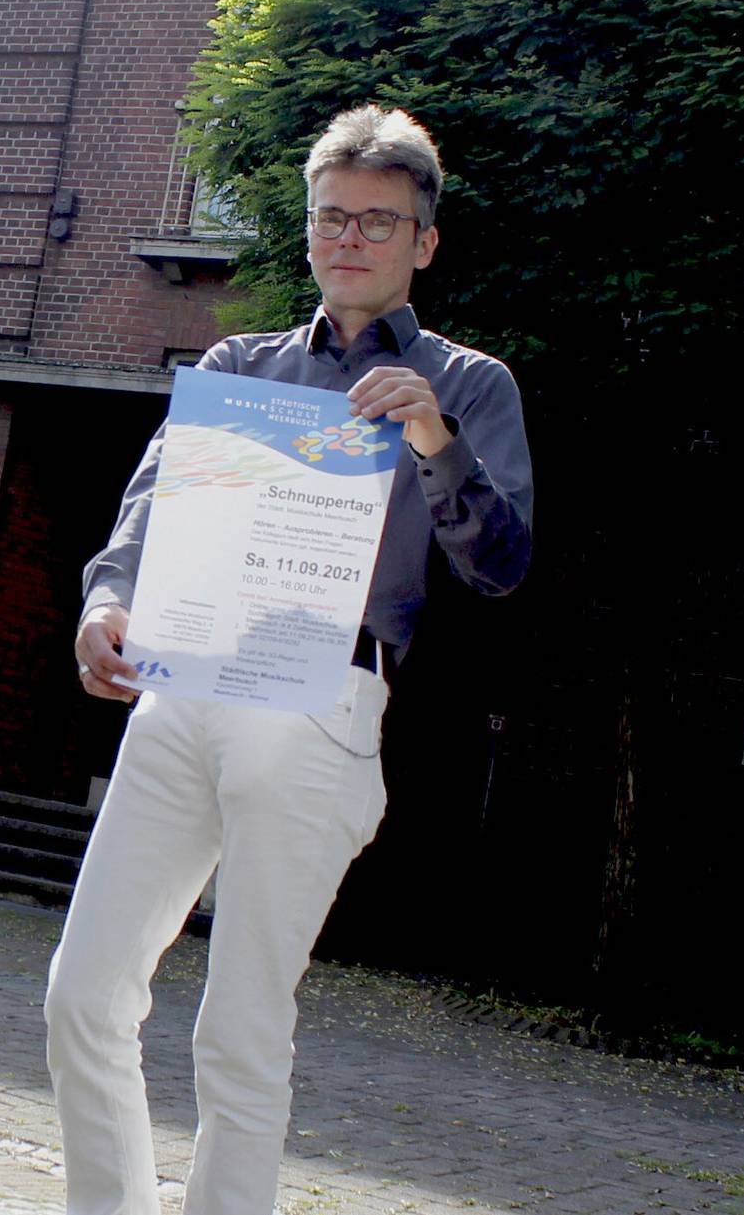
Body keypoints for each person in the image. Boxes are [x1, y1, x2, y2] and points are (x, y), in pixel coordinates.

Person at [44, 105, 534, 1215]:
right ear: (309, 230)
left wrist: (435, 441)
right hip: (186, 684)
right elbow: (146, 516)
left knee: (243, 1026)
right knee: (81, 994)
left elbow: (502, 565)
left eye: (380, 219)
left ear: (424, 241)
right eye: (332, 215)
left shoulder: (471, 384)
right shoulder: (236, 365)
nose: (351, 236)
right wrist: (105, 604)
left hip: (323, 701)